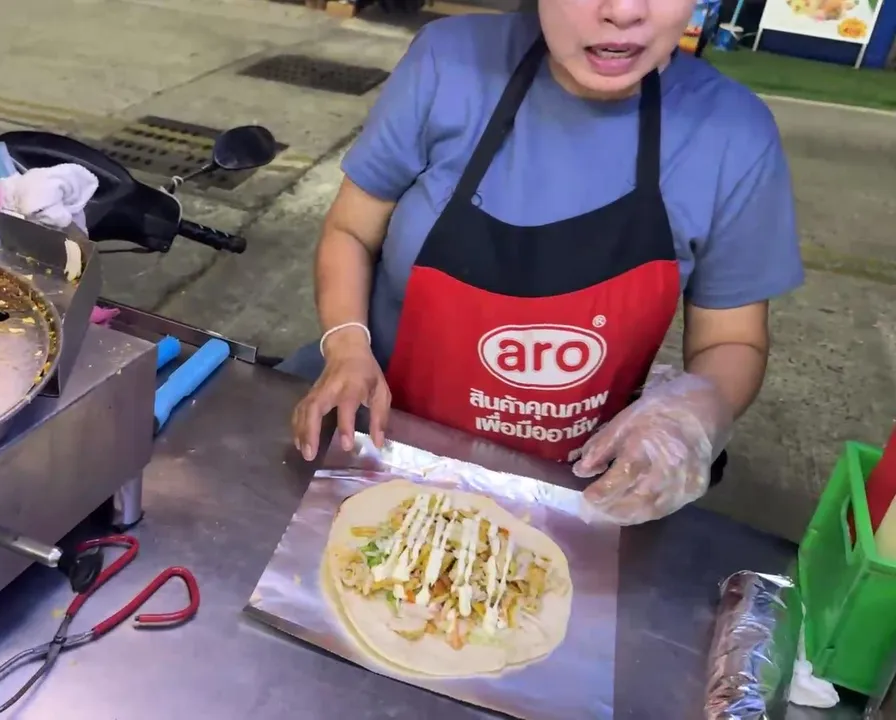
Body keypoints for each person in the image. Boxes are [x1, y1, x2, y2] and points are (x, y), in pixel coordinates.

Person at [282, 2, 803, 525]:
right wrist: (347, 347)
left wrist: (691, 417)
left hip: (565, 491)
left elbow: (730, 340)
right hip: (378, 440)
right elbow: (350, 231)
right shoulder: (448, 63)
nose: (624, 11)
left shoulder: (733, 134)